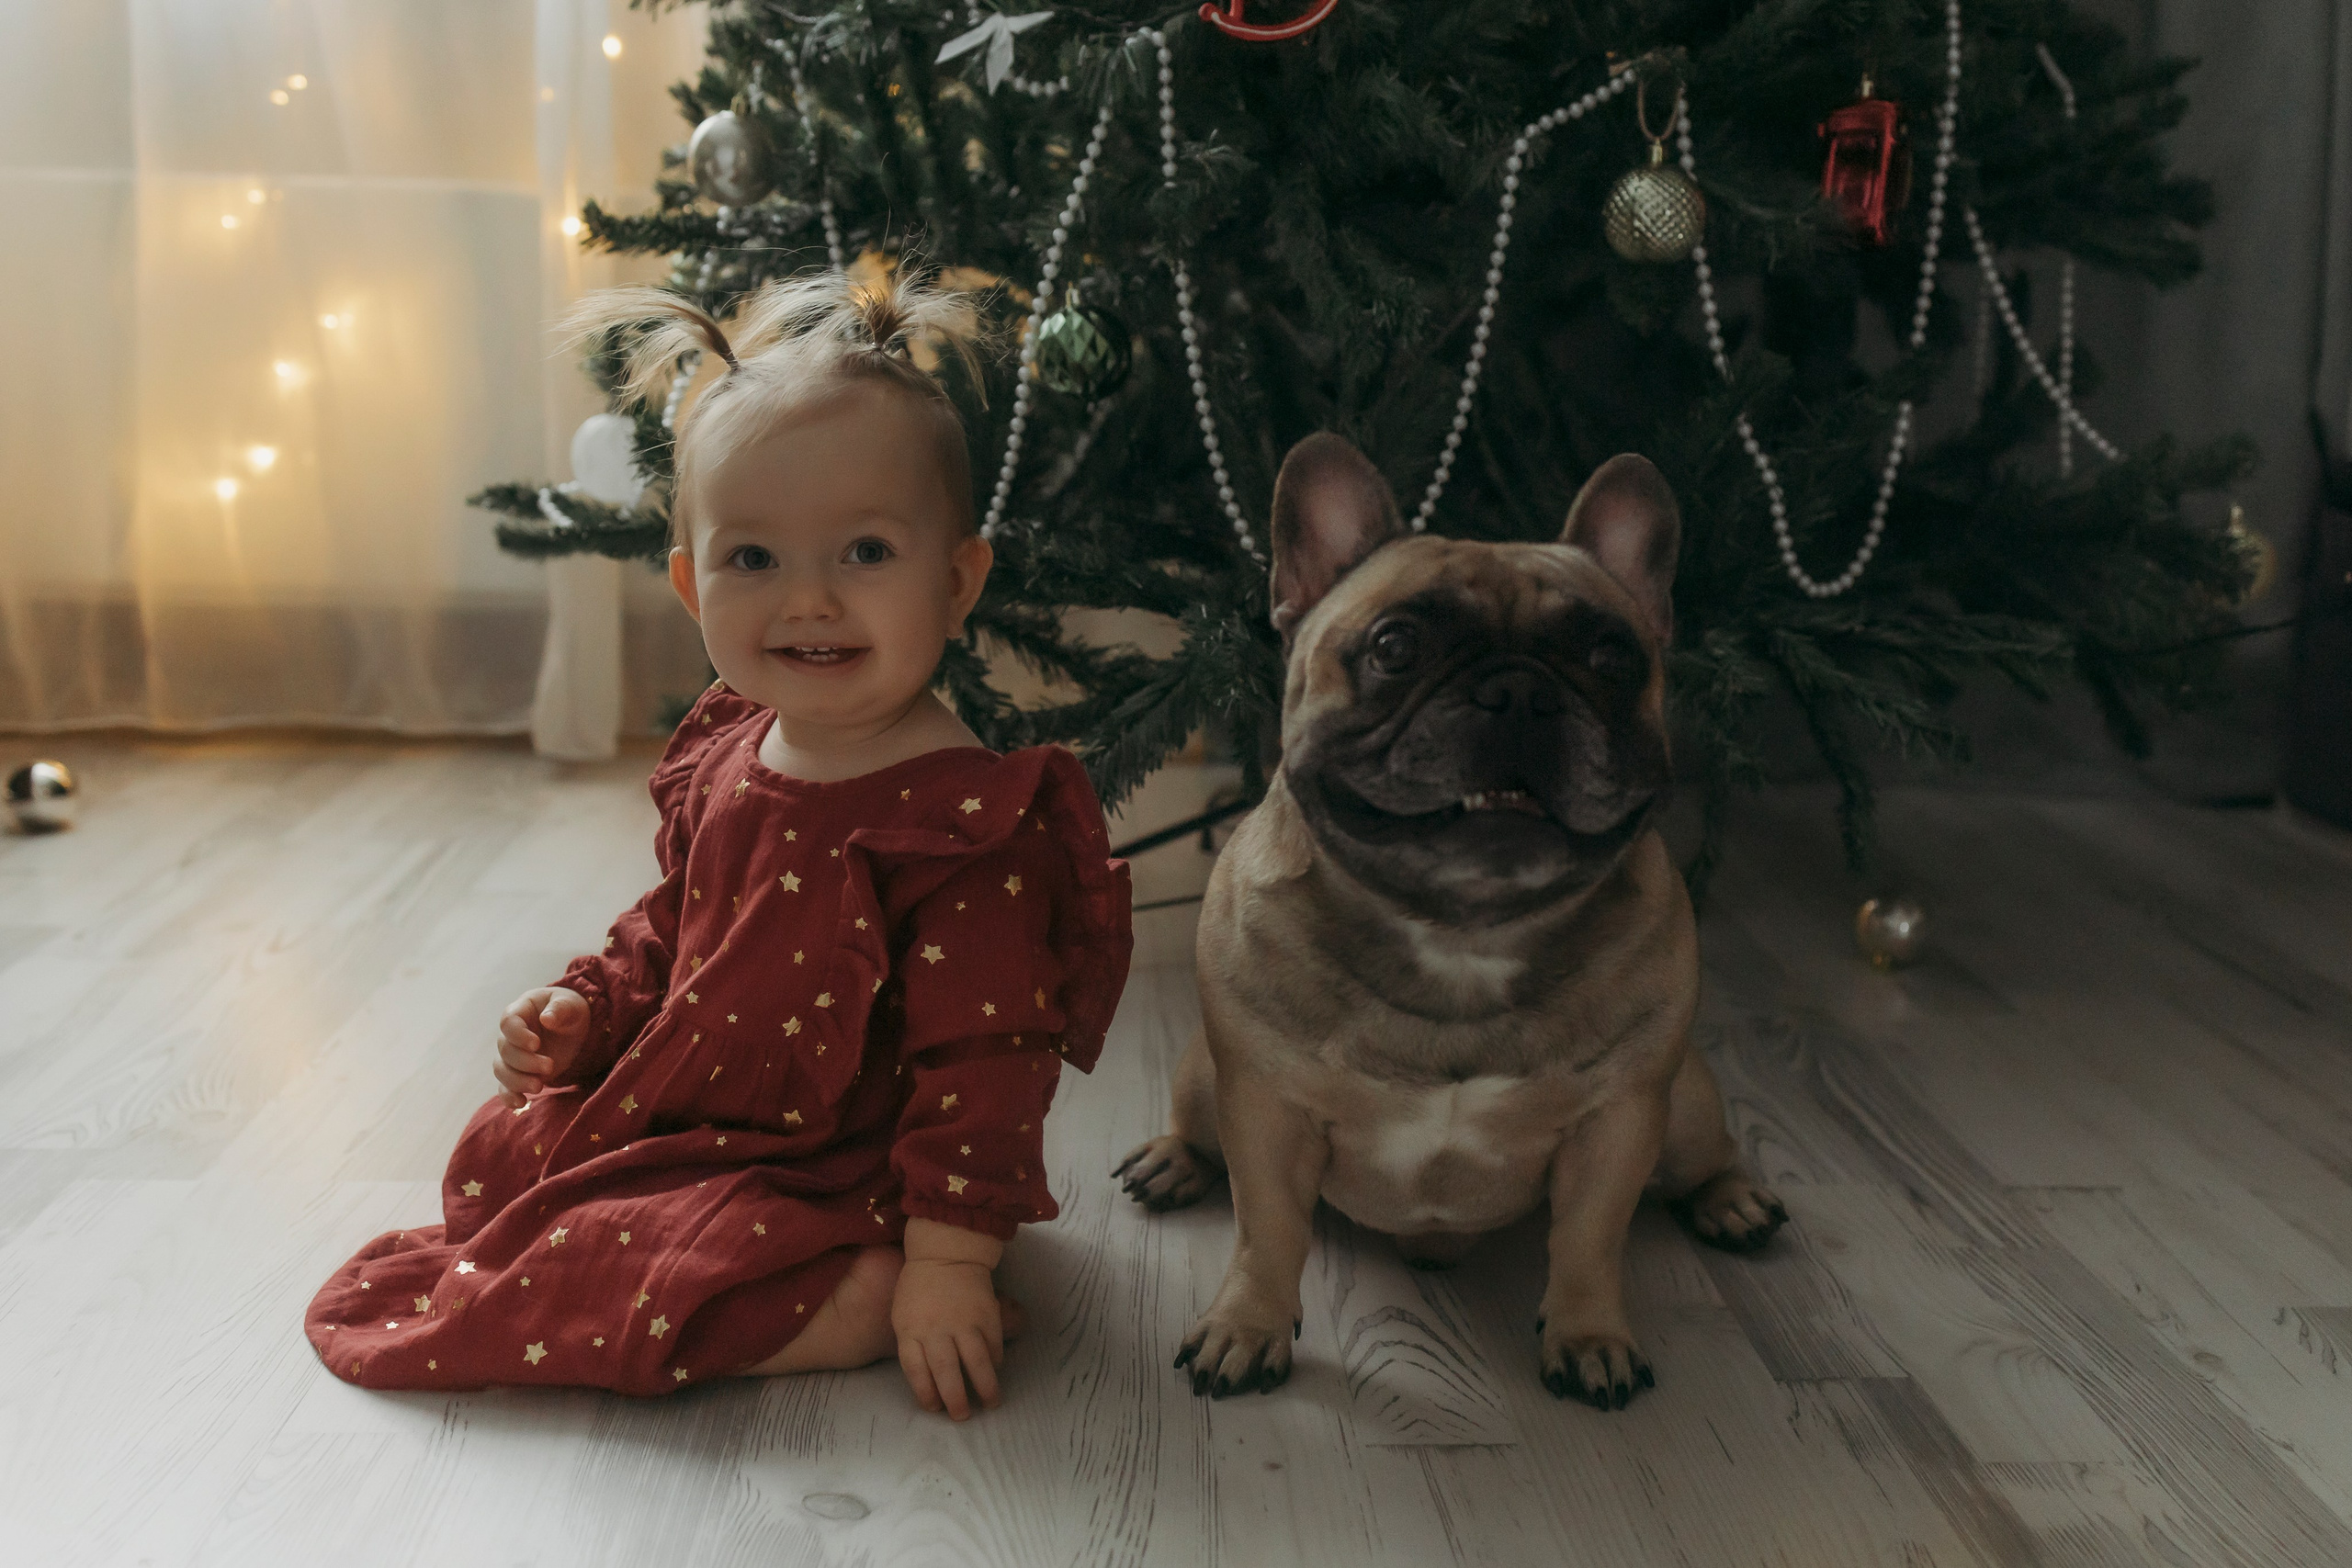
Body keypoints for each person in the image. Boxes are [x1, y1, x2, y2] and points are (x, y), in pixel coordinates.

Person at [303, 266, 1132, 1418]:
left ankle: (849, 1298)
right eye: (755, 560)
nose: (808, 601)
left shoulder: (960, 831)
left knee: (651, 1263)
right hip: (694, 1098)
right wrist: (587, 1010)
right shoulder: (733, 747)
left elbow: (984, 1068)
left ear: (956, 583)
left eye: (865, 554)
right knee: (504, 1153)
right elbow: (678, 927)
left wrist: (951, 1265)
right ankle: (708, 1253)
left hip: (845, 1161)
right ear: (692, 586)